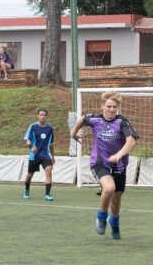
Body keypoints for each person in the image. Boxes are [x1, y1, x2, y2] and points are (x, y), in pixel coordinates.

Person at [70, 91, 139, 239]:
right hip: (100, 162)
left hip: (119, 166)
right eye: (108, 106)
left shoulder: (122, 122)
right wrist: (73, 133)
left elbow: (131, 140)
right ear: (102, 105)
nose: (111, 110)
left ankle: (114, 221)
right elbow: (82, 119)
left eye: (114, 107)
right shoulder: (94, 119)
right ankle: (101, 216)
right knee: (109, 188)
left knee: (116, 200)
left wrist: (119, 155)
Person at [22, 109, 55, 201]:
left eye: (44, 115)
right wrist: (31, 147)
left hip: (46, 155)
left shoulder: (50, 129)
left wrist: (53, 156)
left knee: (49, 170)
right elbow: (27, 141)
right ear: (37, 116)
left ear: (46, 116)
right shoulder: (32, 127)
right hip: (34, 155)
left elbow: (51, 144)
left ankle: (47, 195)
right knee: (30, 174)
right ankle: (26, 190)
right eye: (41, 115)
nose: (42, 116)